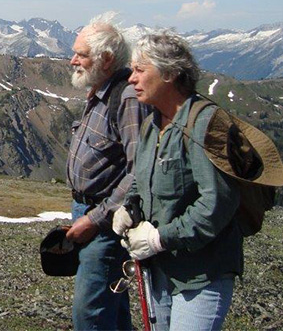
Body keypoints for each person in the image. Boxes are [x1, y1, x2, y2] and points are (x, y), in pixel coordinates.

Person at [113, 30, 242, 331]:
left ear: (170, 73)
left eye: (140, 70)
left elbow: (217, 202)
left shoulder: (206, 124)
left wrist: (160, 239)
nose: (131, 78)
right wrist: (129, 207)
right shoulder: (151, 124)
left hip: (201, 276)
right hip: (159, 272)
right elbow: (141, 179)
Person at [65, 16, 149, 330]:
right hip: (88, 212)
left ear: (107, 59)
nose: (72, 60)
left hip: (106, 223)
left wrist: (94, 218)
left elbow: (139, 171)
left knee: (90, 314)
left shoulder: (125, 99)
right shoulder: (99, 90)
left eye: (81, 54)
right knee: (111, 310)